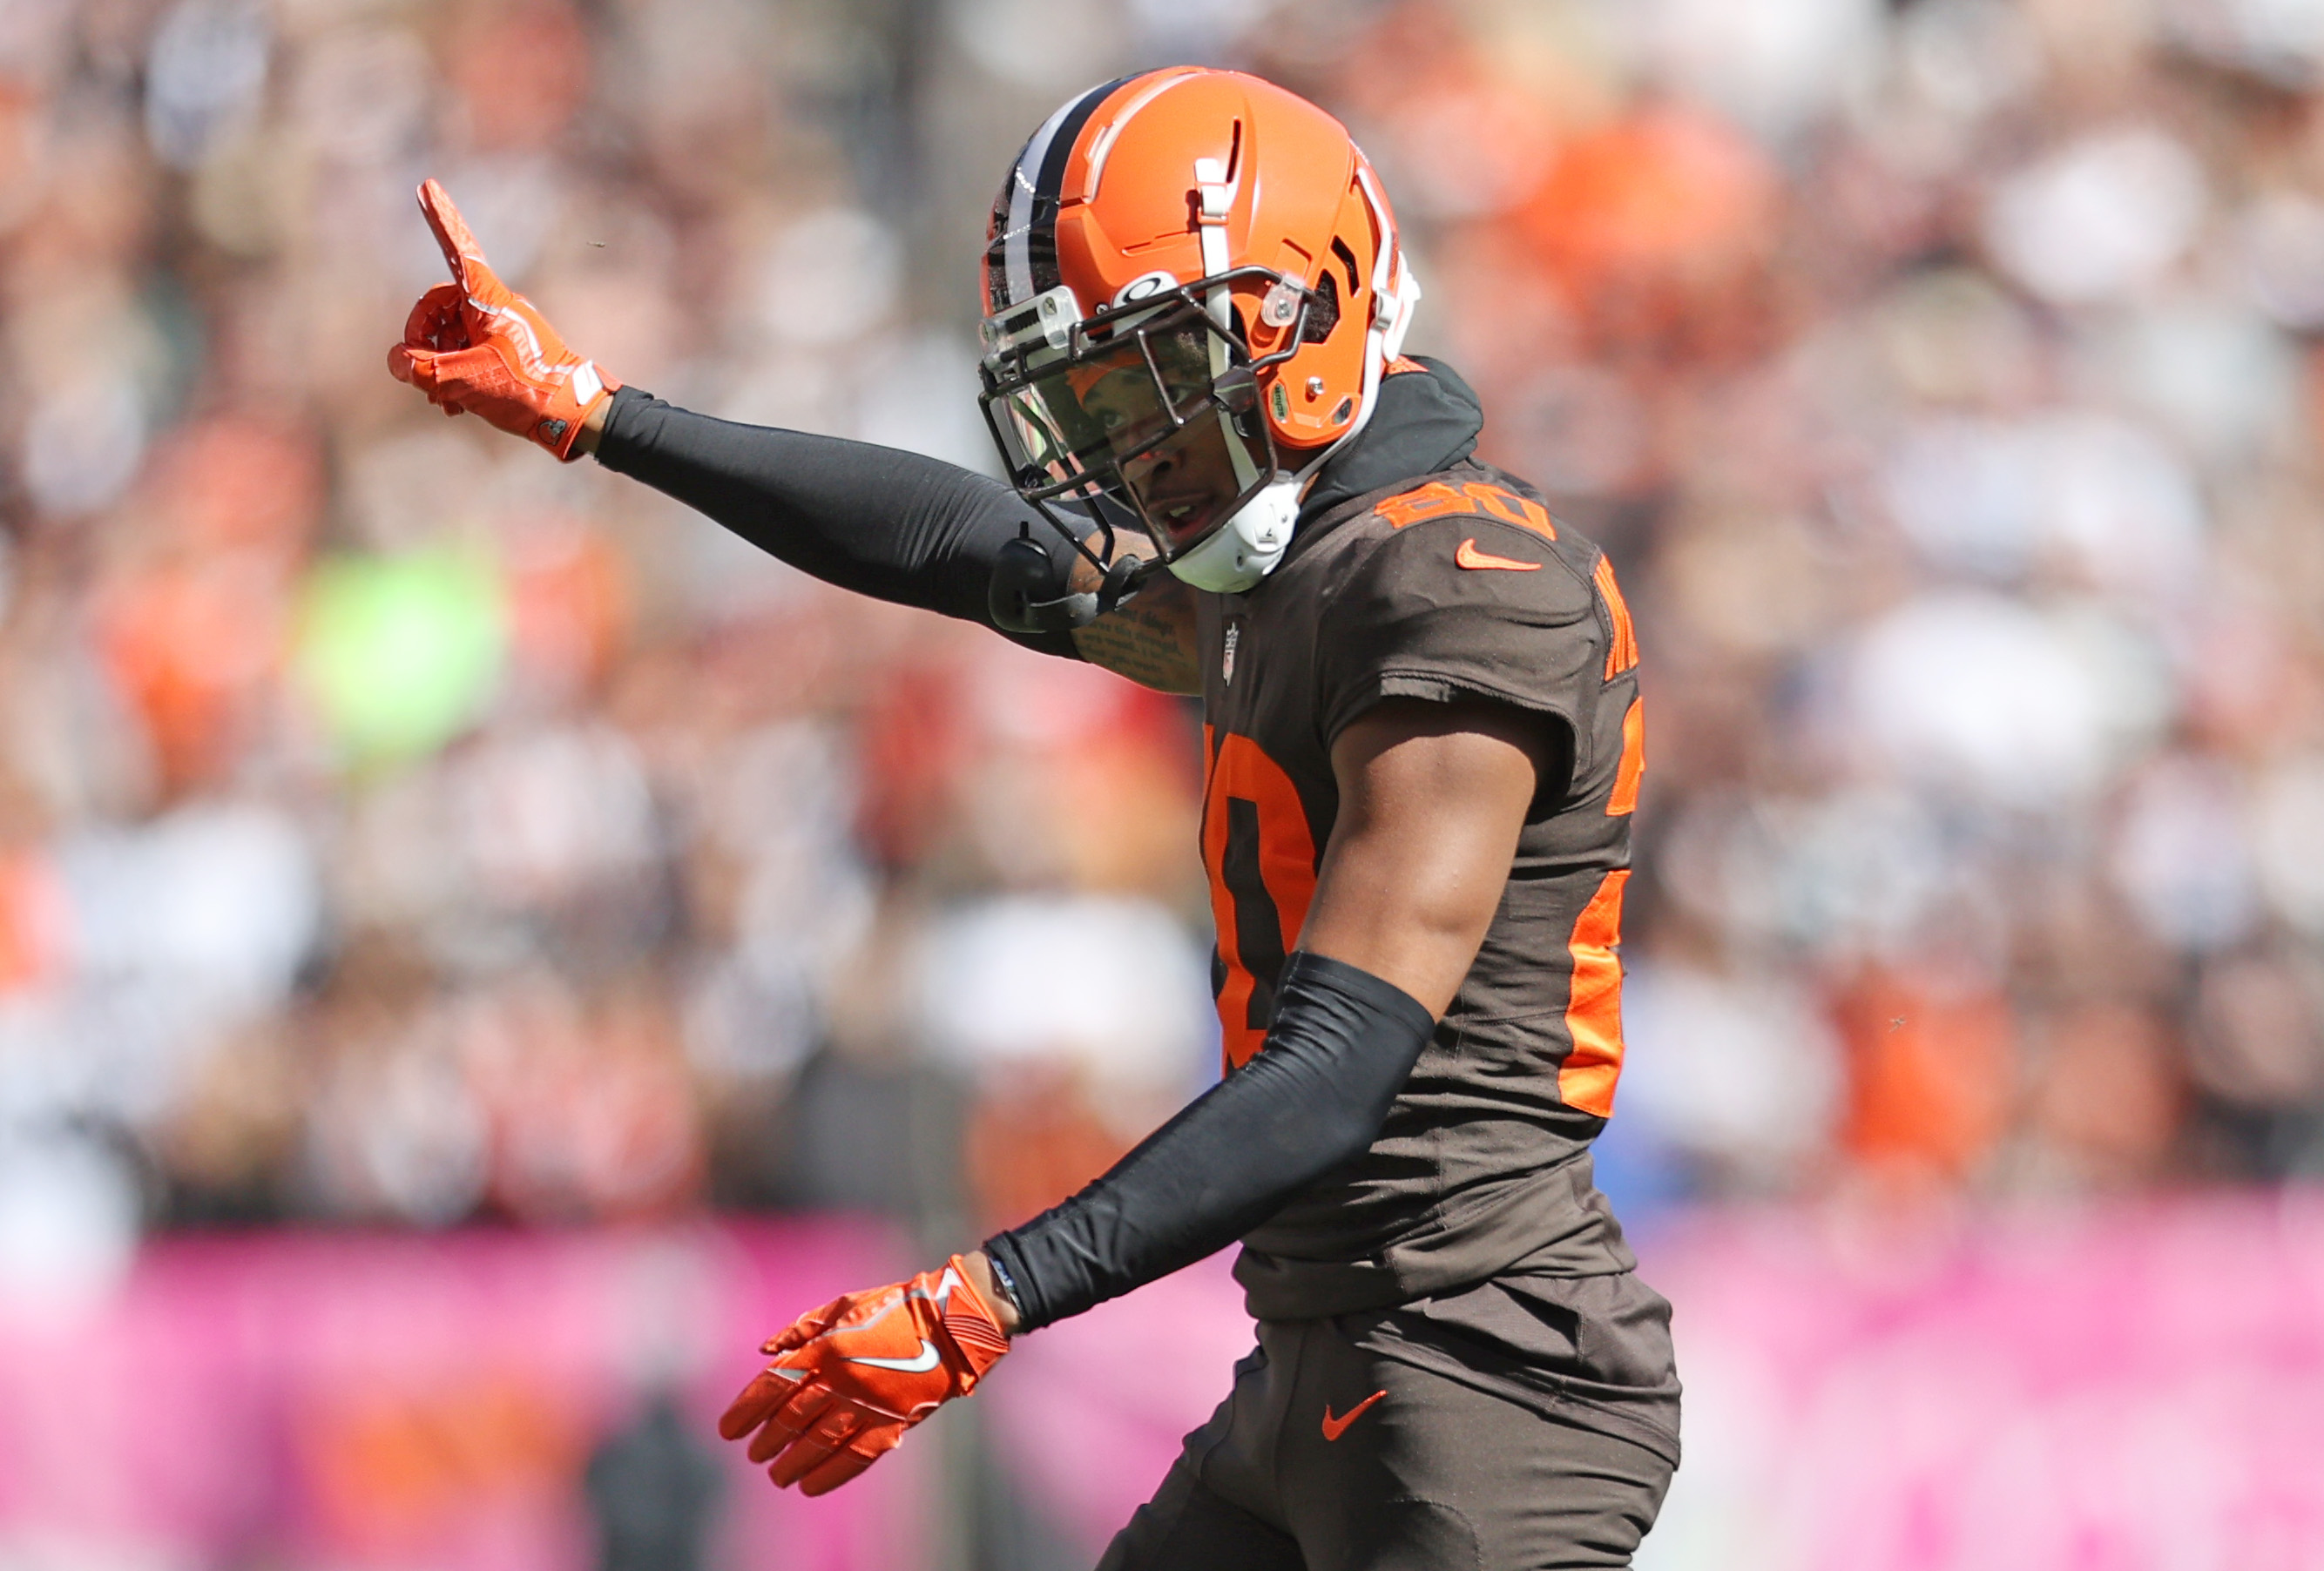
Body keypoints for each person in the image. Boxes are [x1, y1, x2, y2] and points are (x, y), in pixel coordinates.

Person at [389, 66, 1679, 1570]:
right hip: (1331, 1352)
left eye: (1150, 380)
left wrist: (988, 1294)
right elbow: (965, 541)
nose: (1128, 447)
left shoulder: (1460, 587)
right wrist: (602, 418)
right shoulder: (1295, 575)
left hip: (1487, 1367)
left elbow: (1339, 1067)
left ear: (1307, 316)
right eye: (1092, 401)